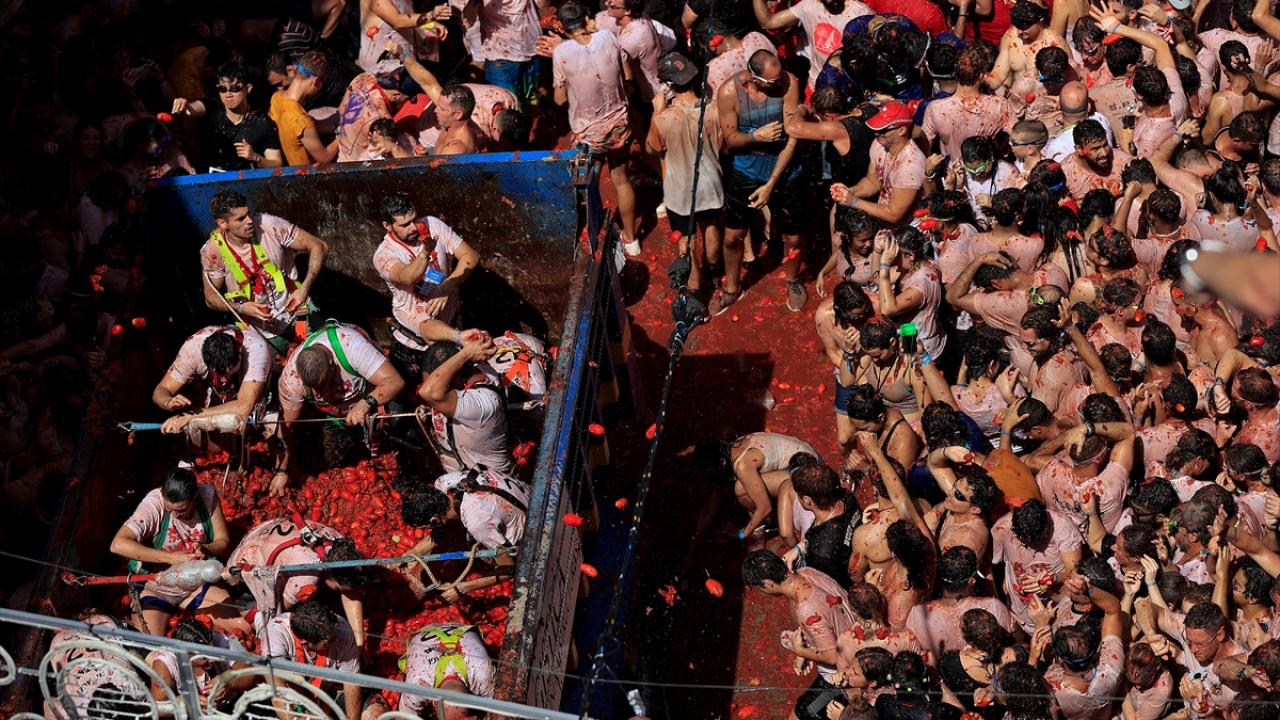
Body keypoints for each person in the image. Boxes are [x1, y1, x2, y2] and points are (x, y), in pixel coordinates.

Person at [713, 48, 806, 315]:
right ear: (754, 79)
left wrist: (771, 184)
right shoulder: (729, 92)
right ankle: (732, 288)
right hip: (747, 171)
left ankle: (793, 279)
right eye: (772, 81)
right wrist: (757, 136)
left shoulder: (789, 83)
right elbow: (730, 139)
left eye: (780, 77)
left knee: (793, 237)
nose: (780, 83)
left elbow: (792, 137)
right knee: (732, 237)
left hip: (785, 170)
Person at [545, 3, 638, 255]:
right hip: (619, 125)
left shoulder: (561, 52)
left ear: (561, 26)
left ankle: (595, 240)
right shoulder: (608, 36)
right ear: (586, 19)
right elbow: (628, 76)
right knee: (622, 181)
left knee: (589, 187)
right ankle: (632, 239)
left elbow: (559, 99)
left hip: (588, 135)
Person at [275, 322, 406, 493]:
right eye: (317, 389)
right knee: (336, 464)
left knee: (400, 439)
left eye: (326, 383)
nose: (324, 392)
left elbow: (395, 382)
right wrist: (281, 471)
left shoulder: (351, 346)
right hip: (336, 416)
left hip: (374, 397)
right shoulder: (292, 379)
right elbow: (285, 428)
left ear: (332, 364)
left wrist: (365, 403)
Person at [199, 191, 329, 353]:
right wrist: (241, 308)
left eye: (249, 214)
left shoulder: (268, 225)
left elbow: (319, 246)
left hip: (300, 315)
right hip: (259, 335)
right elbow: (210, 298)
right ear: (223, 224)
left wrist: (304, 288)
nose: (249, 221)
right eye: (241, 218)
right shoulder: (213, 251)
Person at [109, 466, 231, 635]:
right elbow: (117, 544)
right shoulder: (154, 505)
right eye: (170, 509)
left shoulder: (207, 496)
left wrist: (206, 549)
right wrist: (170, 558)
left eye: (181, 510)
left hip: (197, 582)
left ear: (195, 497)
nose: (175, 515)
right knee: (151, 644)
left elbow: (224, 542)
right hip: (156, 587)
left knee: (241, 627)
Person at [372, 192, 482, 371]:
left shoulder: (433, 224)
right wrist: (425, 253)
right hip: (413, 344)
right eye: (405, 225)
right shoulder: (384, 255)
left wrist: (447, 286)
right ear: (387, 226)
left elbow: (470, 256)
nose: (414, 227)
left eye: (414, 219)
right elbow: (407, 276)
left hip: (449, 329)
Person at [742, 550, 854, 720]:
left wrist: (802, 651)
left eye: (760, 588)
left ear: (768, 584)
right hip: (850, 635)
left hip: (844, 670)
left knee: (797, 716)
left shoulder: (807, 608)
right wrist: (805, 651)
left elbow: (832, 656)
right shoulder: (805, 572)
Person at [223, 516, 367, 648]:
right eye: (339, 588)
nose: (344, 591)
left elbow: (351, 593)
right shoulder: (306, 577)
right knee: (265, 626)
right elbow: (277, 608)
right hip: (241, 574)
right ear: (330, 573)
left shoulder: (339, 544)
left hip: (262, 534)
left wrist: (359, 643)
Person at [646, 51, 723, 294]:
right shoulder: (714, 109)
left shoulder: (663, 118)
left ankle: (694, 289)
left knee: (686, 240)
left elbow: (652, 148)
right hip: (711, 183)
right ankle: (715, 274)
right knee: (711, 227)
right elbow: (722, 144)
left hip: (679, 190)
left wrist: (656, 111)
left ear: (669, 86)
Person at [400, 465, 525, 601]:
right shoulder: (444, 482)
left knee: (474, 540)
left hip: (529, 532)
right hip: (525, 496)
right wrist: (416, 551)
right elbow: (446, 527)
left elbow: (508, 569)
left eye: (427, 527)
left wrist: (463, 588)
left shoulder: (476, 522)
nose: (429, 530)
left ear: (435, 520)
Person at [151, 325, 271, 437]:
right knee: (215, 441)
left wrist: (191, 416)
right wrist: (167, 401)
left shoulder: (256, 349)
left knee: (246, 423)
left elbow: (243, 407)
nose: (224, 379)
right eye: (220, 374)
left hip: (253, 384)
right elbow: (160, 390)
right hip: (215, 386)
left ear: (239, 355)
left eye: (229, 372)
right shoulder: (192, 350)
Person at [417, 337, 512, 474]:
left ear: (456, 377)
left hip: (488, 479)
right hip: (459, 470)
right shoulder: (472, 371)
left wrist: (466, 353)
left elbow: (429, 393)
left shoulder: (483, 403)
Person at [168, 62, 283, 171]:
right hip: (212, 181)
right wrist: (185, 105)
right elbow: (193, 109)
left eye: (235, 88)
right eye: (222, 89)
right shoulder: (213, 108)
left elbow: (277, 164)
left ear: (248, 88)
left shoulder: (262, 123)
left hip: (246, 182)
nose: (228, 94)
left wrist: (256, 157)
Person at [261, 601, 367, 720]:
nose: (334, 640)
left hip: (330, 689)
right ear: (305, 642)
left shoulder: (340, 628)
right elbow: (279, 694)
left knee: (373, 714)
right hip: (292, 691)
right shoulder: (276, 635)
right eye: (327, 642)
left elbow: (351, 683)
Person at [830, 100, 926, 228]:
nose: (877, 133)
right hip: (883, 222)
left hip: (907, 230)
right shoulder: (879, 145)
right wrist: (849, 192)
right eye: (876, 128)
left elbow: (894, 214)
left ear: (902, 130)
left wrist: (853, 201)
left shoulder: (911, 165)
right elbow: (873, 181)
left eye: (883, 130)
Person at [921, 45, 1017, 163]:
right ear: (982, 76)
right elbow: (1018, 138)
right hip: (986, 168)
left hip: (953, 169)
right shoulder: (999, 105)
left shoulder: (935, 109)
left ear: (956, 72)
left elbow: (925, 150)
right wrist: (1001, 152)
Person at [750, 0, 872, 90]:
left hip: (849, 89)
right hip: (816, 86)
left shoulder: (861, 14)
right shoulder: (809, 5)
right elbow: (768, 22)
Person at [726, 431, 819, 539]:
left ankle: (766, 525)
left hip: (809, 473)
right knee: (750, 484)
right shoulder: (739, 443)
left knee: (741, 489)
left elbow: (765, 508)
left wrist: (743, 534)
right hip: (808, 457)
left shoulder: (742, 465)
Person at [398, 624, 496, 718]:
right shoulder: (417, 685)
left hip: (460, 629)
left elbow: (498, 707)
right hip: (423, 634)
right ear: (433, 703)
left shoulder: (483, 675)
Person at [335, 66, 424, 162]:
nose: (410, 102)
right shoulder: (383, 122)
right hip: (353, 165)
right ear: (395, 95)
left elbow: (341, 110)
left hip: (341, 148)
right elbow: (397, 160)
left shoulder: (364, 77)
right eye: (410, 98)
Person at [269, 50, 338, 165]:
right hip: (305, 173)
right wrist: (342, 136)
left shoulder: (276, 98)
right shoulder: (301, 121)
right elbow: (325, 157)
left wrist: (334, 127)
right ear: (316, 81)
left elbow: (300, 131)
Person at [1060, 119, 1131, 201]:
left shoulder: (1123, 162)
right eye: (1096, 149)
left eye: (1105, 145)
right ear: (1079, 150)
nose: (1104, 153)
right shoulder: (1065, 173)